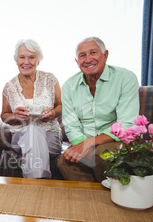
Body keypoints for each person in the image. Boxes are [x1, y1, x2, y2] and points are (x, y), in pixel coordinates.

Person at [57, 36, 139, 182]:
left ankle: (114, 194)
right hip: (87, 144)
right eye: (82, 55)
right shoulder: (68, 87)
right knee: (64, 162)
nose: (88, 59)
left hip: (119, 142)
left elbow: (126, 125)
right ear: (77, 62)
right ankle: (90, 200)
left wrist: (89, 143)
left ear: (105, 55)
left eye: (93, 53)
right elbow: (71, 126)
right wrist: (82, 146)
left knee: (102, 153)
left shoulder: (125, 78)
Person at [0, 39, 62, 179]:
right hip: (21, 135)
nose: (26, 62)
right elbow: (4, 115)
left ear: (38, 60)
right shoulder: (9, 86)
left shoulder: (50, 79)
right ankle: (41, 183)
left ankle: (34, 184)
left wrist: (52, 113)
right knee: (33, 130)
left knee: (34, 146)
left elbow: (60, 106)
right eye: (22, 57)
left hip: (50, 135)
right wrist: (15, 116)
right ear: (16, 60)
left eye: (32, 57)